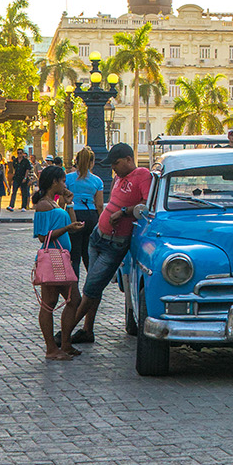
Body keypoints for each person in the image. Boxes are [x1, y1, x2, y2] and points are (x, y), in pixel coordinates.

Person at [65, 143, 151, 344]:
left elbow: (147, 205)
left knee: (92, 287)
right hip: (98, 236)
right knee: (93, 286)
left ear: (129, 160)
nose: (114, 167)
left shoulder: (142, 175)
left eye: (116, 163)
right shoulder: (118, 178)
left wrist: (124, 212)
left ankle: (66, 333)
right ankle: (87, 329)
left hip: (115, 243)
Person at [32, 165, 84, 361]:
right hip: (53, 258)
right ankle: (52, 347)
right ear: (54, 182)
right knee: (50, 303)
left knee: (72, 300)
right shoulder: (44, 205)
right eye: (62, 181)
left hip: (61, 257)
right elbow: (43, 236)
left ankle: (64, 343)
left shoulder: (54, 204)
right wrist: (68, 227)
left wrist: (69, 205)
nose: (65, 184)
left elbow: (73, 226)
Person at [63, 148, 105, 276]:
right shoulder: (97, 181)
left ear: (76, 161)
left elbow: (61, 201)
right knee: (89, 255)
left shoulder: (68, 179)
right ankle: (91, 286)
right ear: (92, 163)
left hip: (73, 215)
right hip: (90, 215)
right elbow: (99, 205)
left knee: (74, 256)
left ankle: (74, 290)